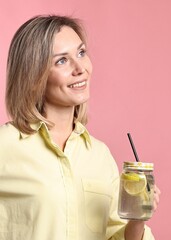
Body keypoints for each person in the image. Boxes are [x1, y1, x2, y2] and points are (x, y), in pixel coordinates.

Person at [0, 15, 160, 240]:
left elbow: (117, 236)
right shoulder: (5, 146)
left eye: (81, 53)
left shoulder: (99, 155)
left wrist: (137, 220)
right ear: (34, 75)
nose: (80, 68)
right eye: (61, 61)